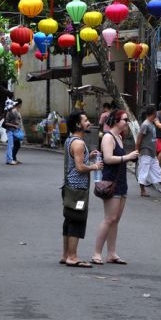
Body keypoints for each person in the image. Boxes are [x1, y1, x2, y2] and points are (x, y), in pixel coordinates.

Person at [91, 109, 139, 265]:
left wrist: (128, 158)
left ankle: (111, 253)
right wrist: (128, 157)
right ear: (117, 121)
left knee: (116, 219)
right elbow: (108, 158)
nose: (126, 122)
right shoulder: (108, 137)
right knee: (109, 218)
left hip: (121, 181)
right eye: (125, 119)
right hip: (110, 181)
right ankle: (97, 253)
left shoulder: (119, 137)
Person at [61, 110, 103, 268]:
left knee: (69, 220)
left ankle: (65, 255)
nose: (88, 122)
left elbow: (75, 161)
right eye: (85, 120)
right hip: (77, 189)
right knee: (77, 221)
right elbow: (79, 168)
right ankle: (72, 256)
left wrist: (88, 157)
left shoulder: (71, 140)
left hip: (69, 187)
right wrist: (95, 166)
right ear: (78, 124)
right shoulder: (78, 143)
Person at [135, 105, 161, 197]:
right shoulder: (145, 124)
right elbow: (139, 139)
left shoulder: (152, 124)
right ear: (153, 113)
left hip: (152, 153)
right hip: (145, 152)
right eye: (155, 112)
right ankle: (142, 190)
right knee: (144, 171)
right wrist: (137, 151)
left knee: (158, 171)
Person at [4, 98, 23, 165]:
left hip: (13, 130)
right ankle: (9, 159)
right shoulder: (10, 112)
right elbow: (6, 123)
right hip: (10, 131)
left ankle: (9, 159)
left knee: (14, 145)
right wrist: (15, 126)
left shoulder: (11, 111)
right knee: (11, 146)